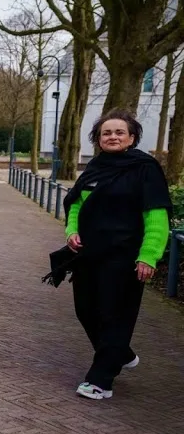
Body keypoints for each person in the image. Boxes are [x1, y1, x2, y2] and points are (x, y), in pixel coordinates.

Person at [63, 110, 172, 400]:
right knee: (85, 310)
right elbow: (76, 204)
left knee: (114, 315)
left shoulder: (145, 168)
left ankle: (100, 379)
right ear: (98, 140)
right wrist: (71, 231)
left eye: (119, 132)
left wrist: (149, 255)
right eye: (106, 133)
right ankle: (119, 352)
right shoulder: (94, 167)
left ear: (132, 137)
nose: (112, 136)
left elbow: (156, 216)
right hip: (89, 255)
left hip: (125, 256)